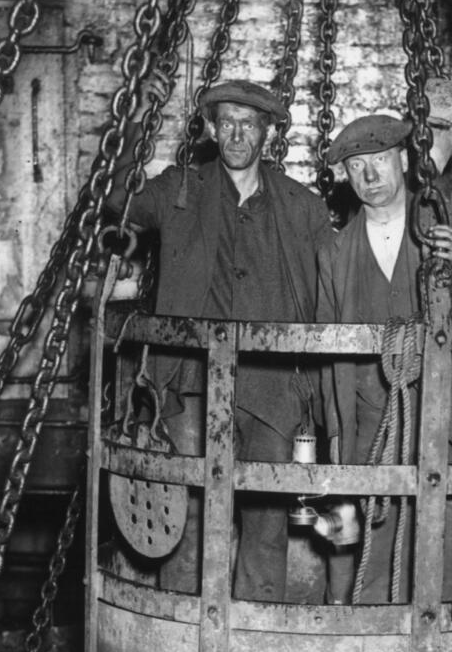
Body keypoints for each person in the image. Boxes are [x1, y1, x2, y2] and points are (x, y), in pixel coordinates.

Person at [108, 79, 333, 602]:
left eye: (248, 124)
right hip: (187, 383)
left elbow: (335, 284)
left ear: (267, 133)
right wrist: (129, 133)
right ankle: (182, 634)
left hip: (271, 388)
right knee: (183, 514)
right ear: (210, 127)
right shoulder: (178, 190)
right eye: (226, 121)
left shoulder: (302, 207)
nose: (236, 134)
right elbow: (122, 206)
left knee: (265, 522)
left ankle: (256, 636)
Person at [317, 114, 452, 604]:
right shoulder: (336, 253)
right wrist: (339, 465)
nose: (369, 176)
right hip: (375, 432)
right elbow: (328, 365)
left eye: (379, 161)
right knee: (377, 571)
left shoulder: (445, 217)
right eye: (357, 166)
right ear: (345, 176)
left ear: (403, 160)